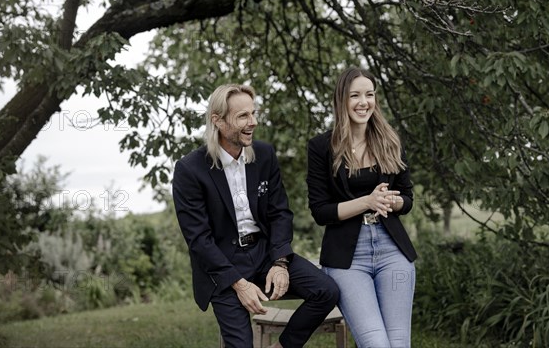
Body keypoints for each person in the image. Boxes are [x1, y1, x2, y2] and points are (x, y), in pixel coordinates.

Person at [172, 84, 339, 348]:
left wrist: (281, 262)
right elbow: (199, 240)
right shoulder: (189, 170)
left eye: (253, 113)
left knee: (326, 291)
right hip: (223, 267)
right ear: (217, 120)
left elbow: (280, 212)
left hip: (264, 254)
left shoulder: (264, 155)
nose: (254, 122)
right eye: (243, 116)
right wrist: (239, 284)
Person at [306, 67, 417, 348]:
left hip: (393, 252)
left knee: (399, 343)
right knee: (376, 343)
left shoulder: (390, 141)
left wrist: (393, 201)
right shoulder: (321, 147)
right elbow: (321, 211)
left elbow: (407, 199)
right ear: (342, 100)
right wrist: (367, 201)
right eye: (355, 95)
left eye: (369, 95)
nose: (363, 102)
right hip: (347, 259)